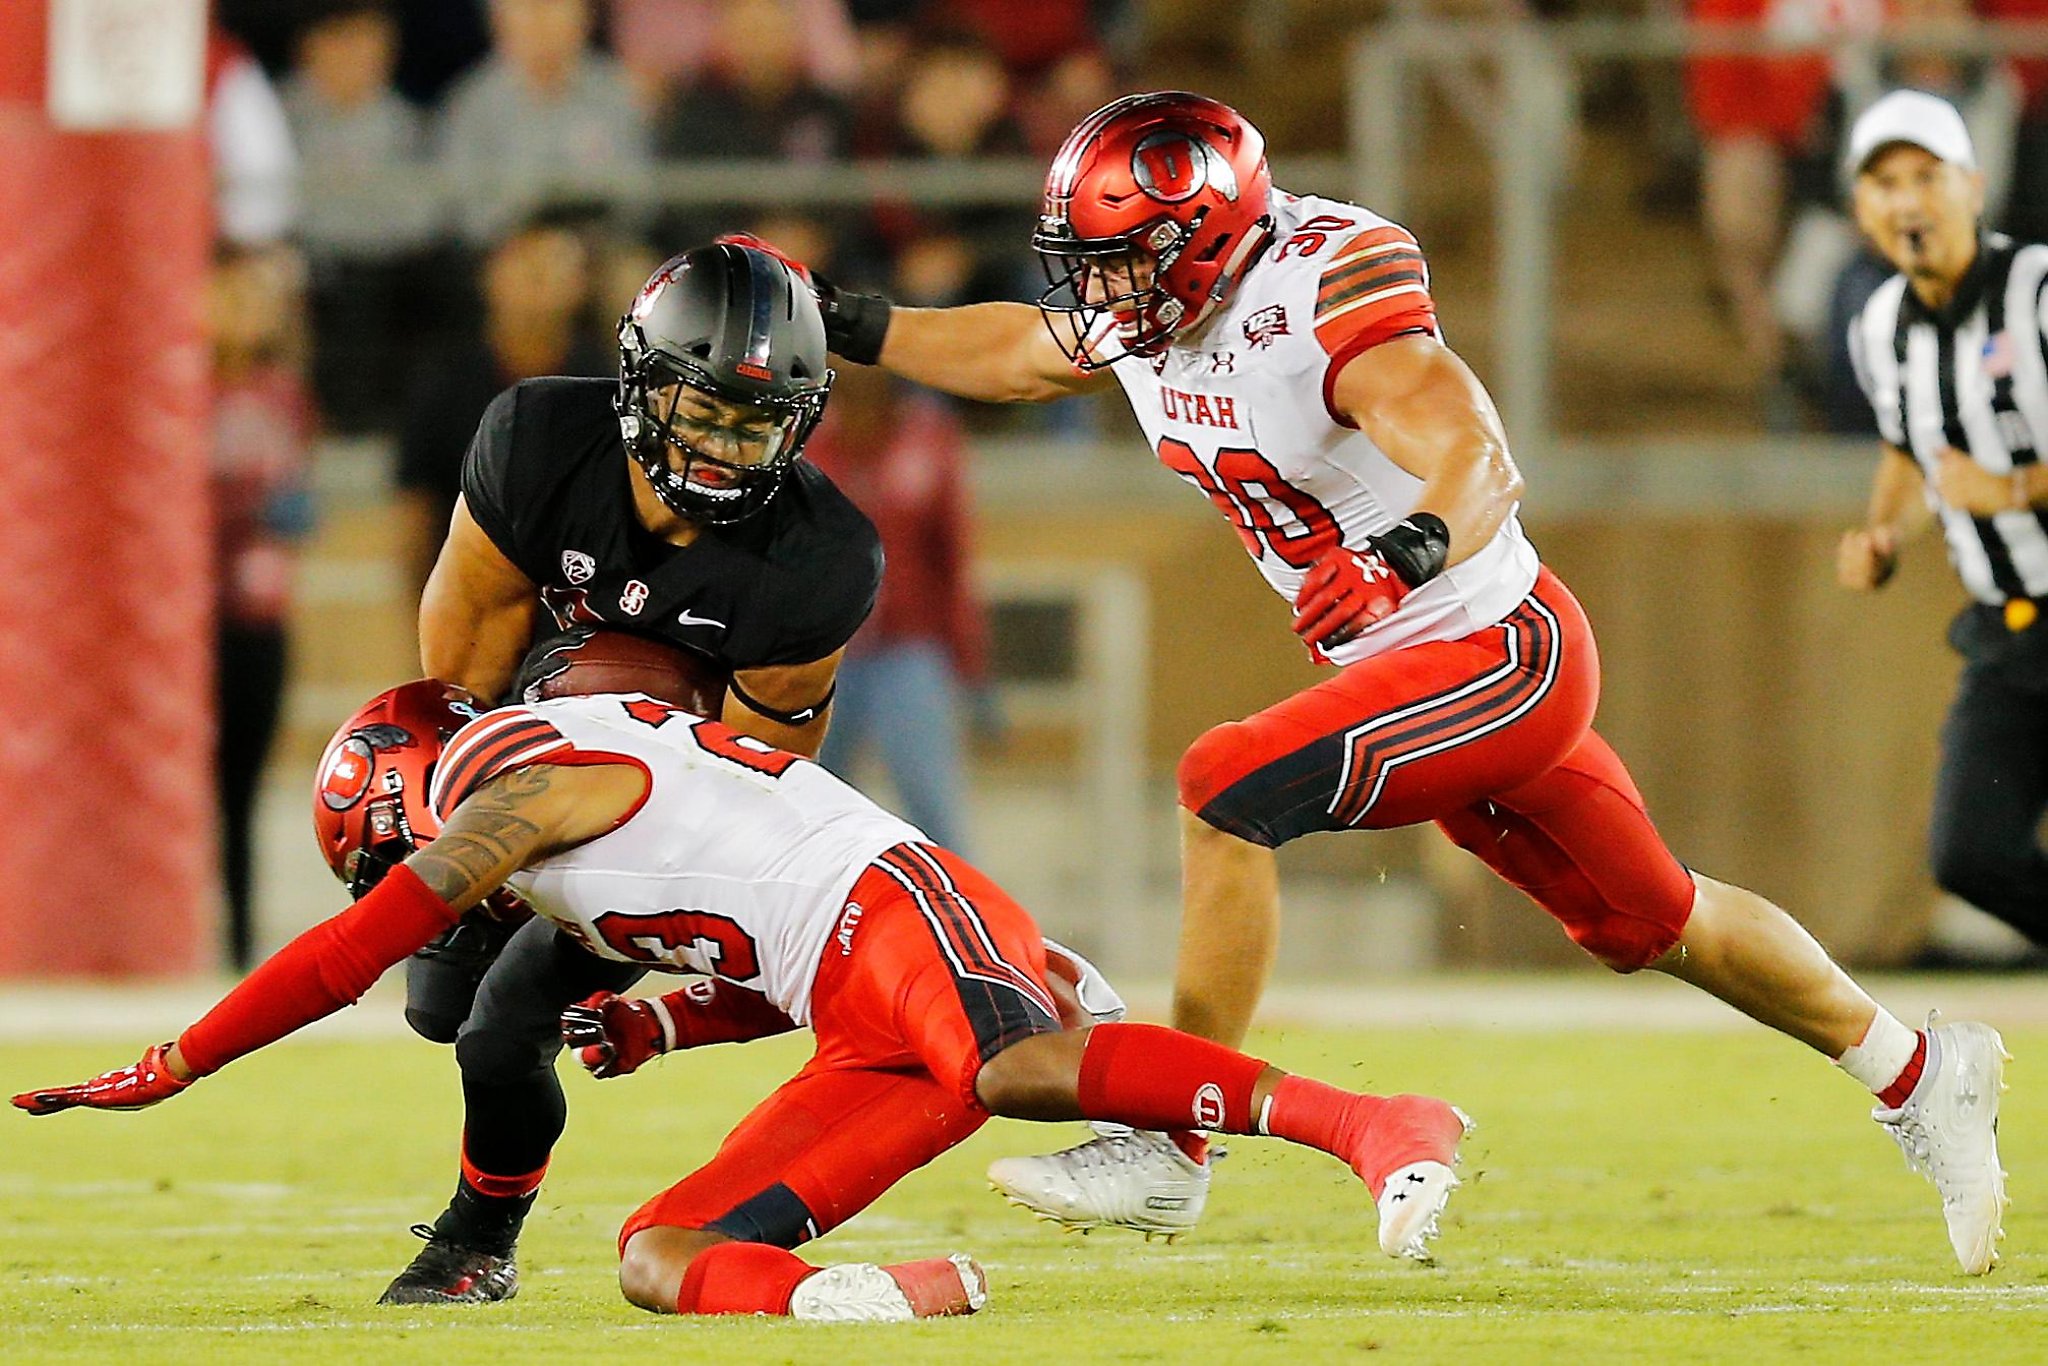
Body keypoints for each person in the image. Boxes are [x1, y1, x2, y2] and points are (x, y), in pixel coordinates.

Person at [775, 90, 2012, 1274]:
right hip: (1412, 670)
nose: (1097, 291)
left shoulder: (1315, 285)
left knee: (1223, 787)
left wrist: (1402, 550)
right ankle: (1916, 1068)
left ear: (1201, 238)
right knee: (1654, 920)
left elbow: (1473, 451)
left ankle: (1169, 1137)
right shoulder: (1146, 302)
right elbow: (1018, 348)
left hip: (1493, 650)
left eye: (1122, 260)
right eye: (1089, 261)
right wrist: (841, 320)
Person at [12, 678, 1473, 1320]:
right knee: (662, 1251)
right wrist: (659, 1021)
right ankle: (873, 1299)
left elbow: (354, 952)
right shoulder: (570, 784)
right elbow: (762, 932)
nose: (437, 898)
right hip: (855, 994)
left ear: (409, 799)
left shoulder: (512, 783)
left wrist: (182, 1056)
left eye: (401, 853)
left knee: (1015, 1070)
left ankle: (1374, 1120)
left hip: (902, 912)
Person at [389, 241, 882, 1299]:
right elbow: (457, 682)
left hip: (671, 814)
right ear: (636, 384)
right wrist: (476, 819)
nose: (719, 447)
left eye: (755, 423)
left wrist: (608, 840)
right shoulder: (534, 441)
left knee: (497, 1033)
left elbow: (753, 785)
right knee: (436, 1001)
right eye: (700, 410)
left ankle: (478, 1240)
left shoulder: (819, 557)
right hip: (523, 752)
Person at [1838, 89, 2048, 954]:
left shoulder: (2037, 289)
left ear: (1973, 185)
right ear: (1861, 208)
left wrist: (2013, 489)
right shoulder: (1881, 325)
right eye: (1885, 183)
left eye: (1926, 176)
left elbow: (1979, 478)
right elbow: (1909, 450)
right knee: (1971, 854)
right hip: (2010, 627)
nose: (1907, 200)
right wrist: (1883, 531)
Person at [806, 361, 988, 854]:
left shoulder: (927, 435)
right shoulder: (812, 434)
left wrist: (971, 665)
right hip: (825, 651)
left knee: (929, 798)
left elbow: (952, 552)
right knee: (809, 801)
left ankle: (958, 914)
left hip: (908, 644)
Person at [393, 205, 611, 596]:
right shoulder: (445, 384)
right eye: (525, 265)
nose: (537, 279)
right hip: (472, 601)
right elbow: (417, 510)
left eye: (552, 266)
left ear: (581, 284)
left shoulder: (609, 383)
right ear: (490, 276)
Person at [210, 243, 316, 970]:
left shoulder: (284, 397)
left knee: (243, 785)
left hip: (257, 614)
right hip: (187, 622)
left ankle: (236, 943)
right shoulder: (174, 392)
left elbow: (301, 506)